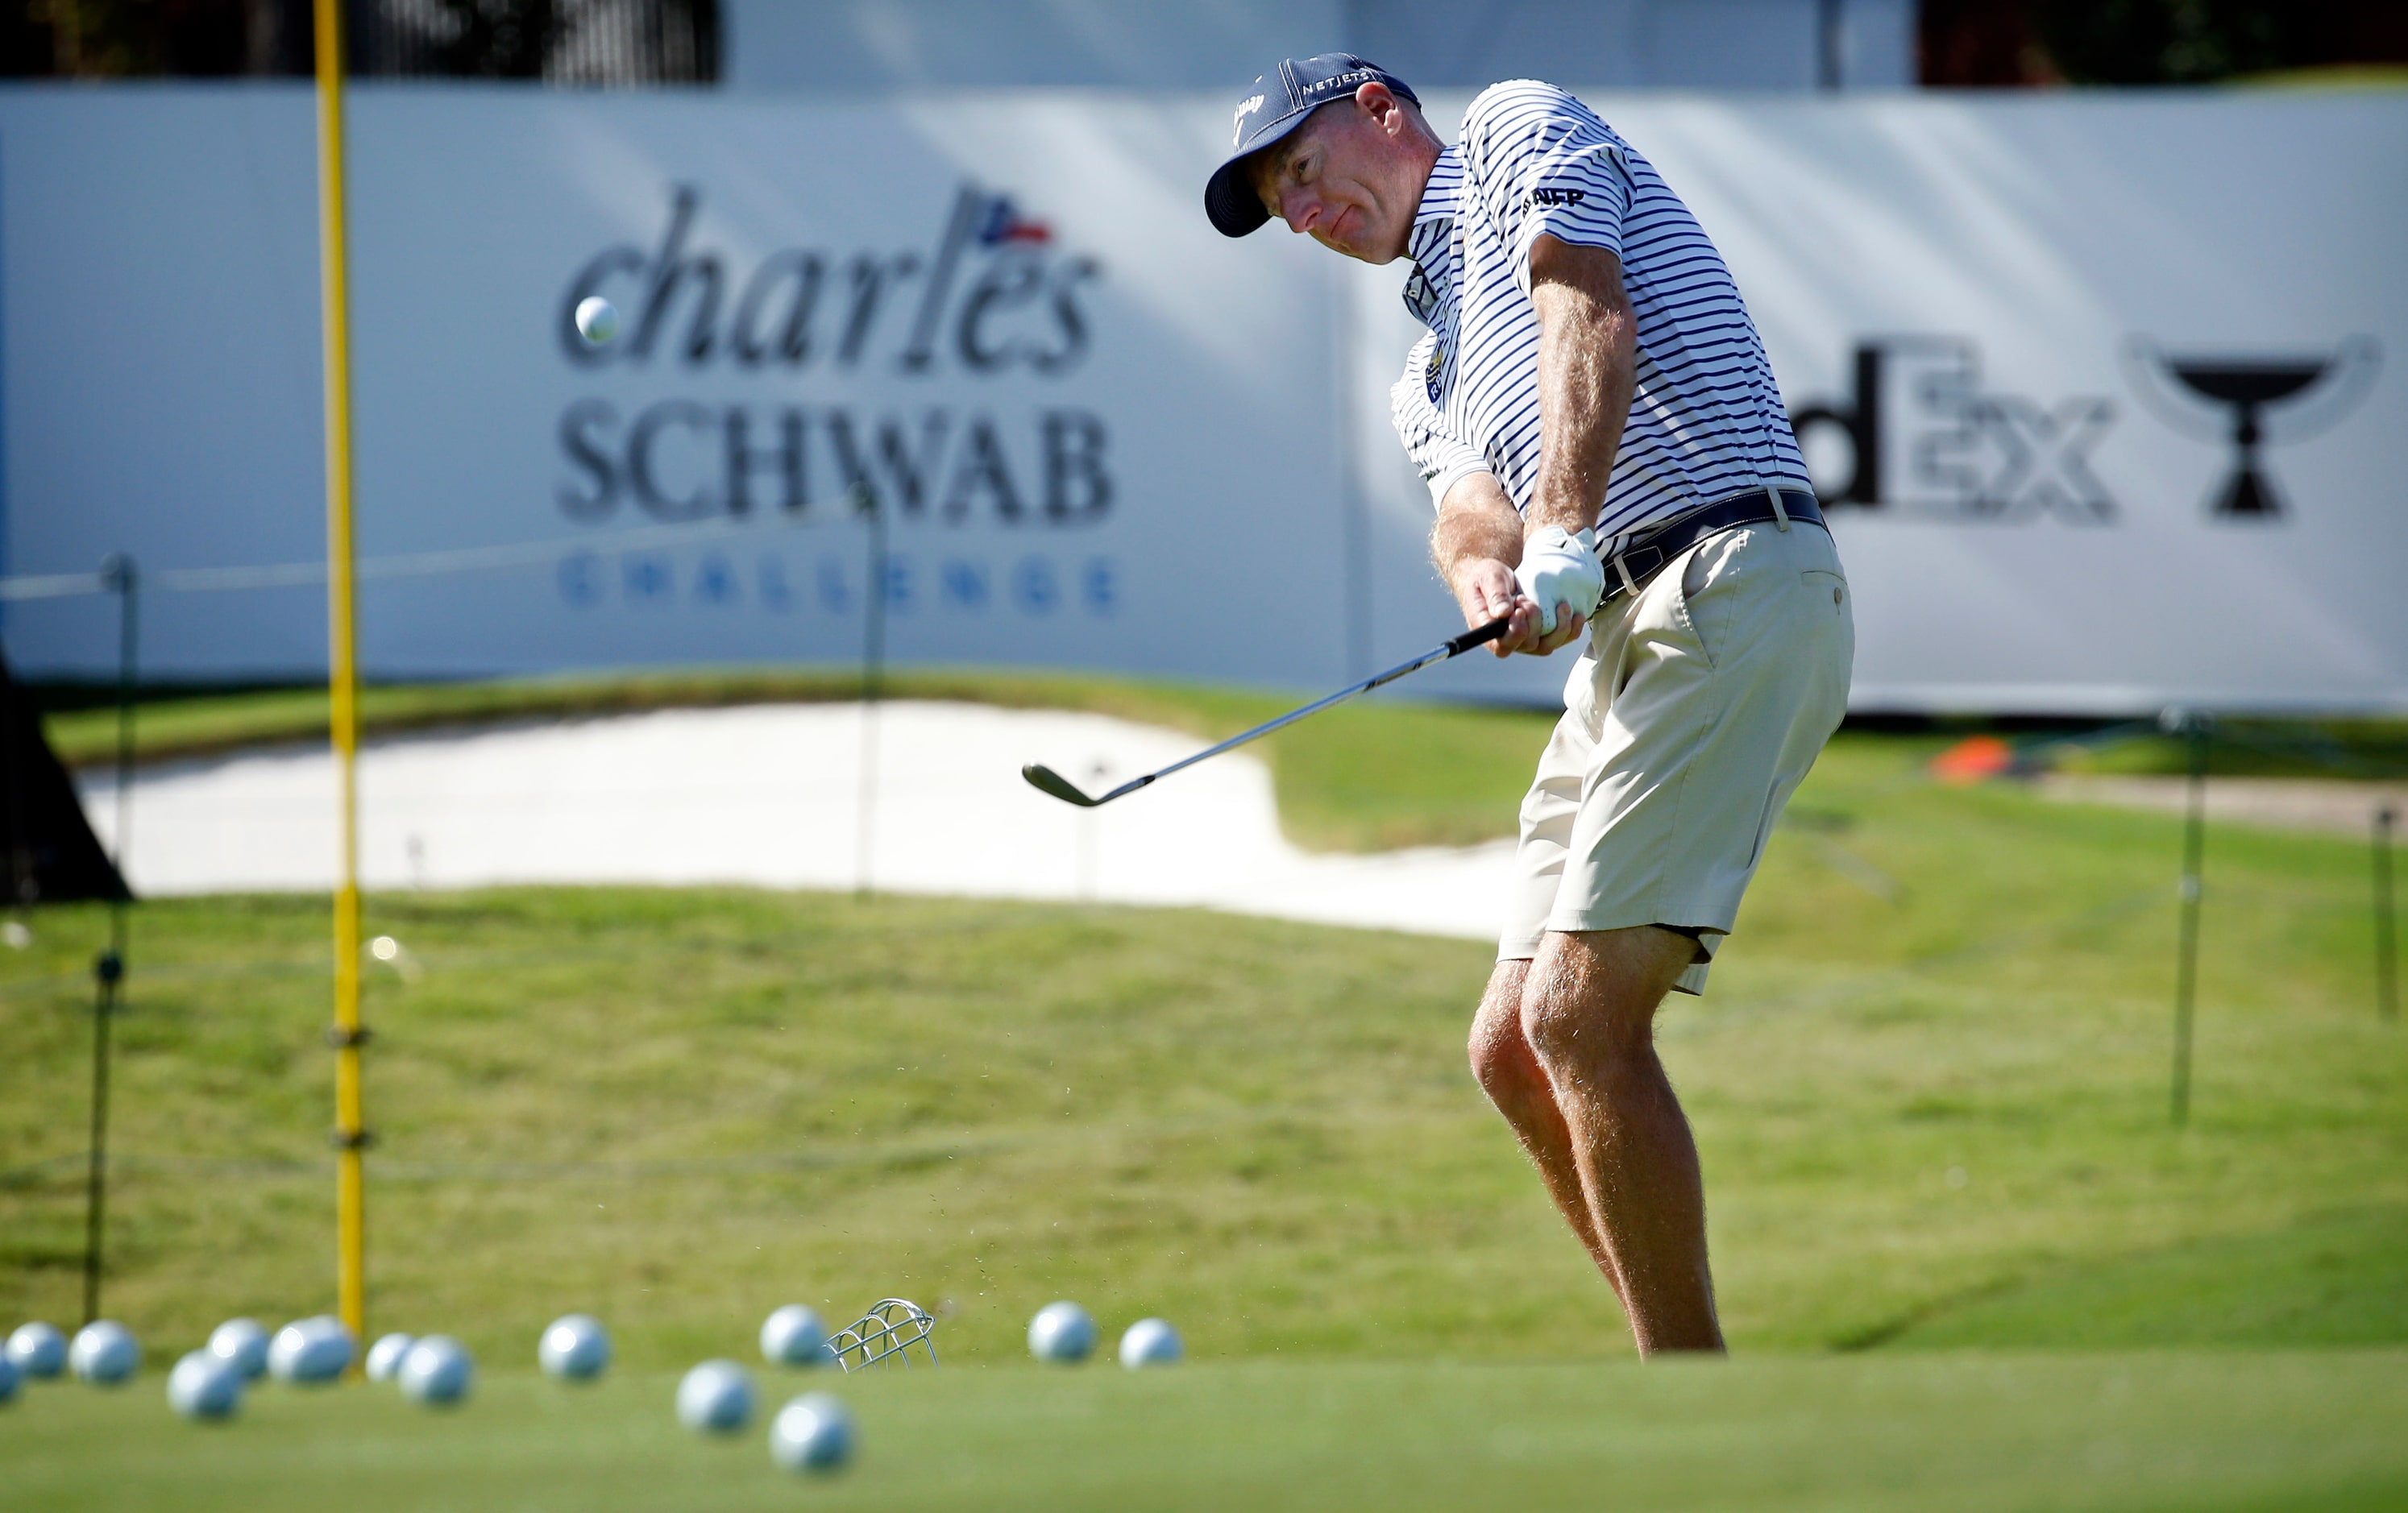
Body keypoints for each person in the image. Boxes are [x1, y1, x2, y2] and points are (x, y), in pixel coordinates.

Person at [1204, 54, 1854, 1354]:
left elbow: (1584, 309)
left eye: (1309, 172)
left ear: (1380, 113)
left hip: (1732, 571)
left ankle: (1698, 1407)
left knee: (1576, 1016)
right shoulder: (1426, 369)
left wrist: (1562, 521)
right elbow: (1466, 507)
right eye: (1287, 209)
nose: (1309, 215)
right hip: (1622, 630)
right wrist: (1491, 567)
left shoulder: (1512, 128)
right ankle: (1678, 1360)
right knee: (1511, 1046)